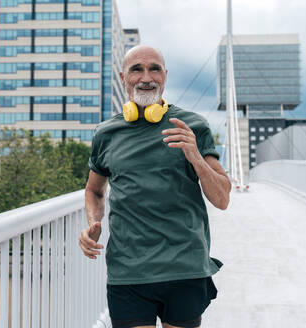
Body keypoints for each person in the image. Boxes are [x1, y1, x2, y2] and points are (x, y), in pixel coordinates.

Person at [78, 45, 231, 328]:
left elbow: (222, 198)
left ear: (165, 76)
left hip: (184, 267)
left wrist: (195, 155)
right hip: (128, 271)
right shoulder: (105, 133)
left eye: (154, 69)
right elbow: (94, 190)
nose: (146, 77)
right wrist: (93, 222)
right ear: (123, 77)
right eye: (137, 69)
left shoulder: (193, 125)